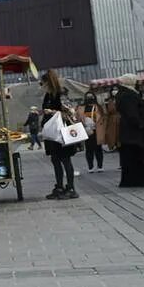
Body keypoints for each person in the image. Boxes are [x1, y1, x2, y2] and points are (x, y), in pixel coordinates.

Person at [40, 70, 79, 200]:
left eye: (43, 83)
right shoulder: (48, 95)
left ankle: (71, 188)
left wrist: (52, 111)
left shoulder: (60, 93)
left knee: (65, 159)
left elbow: (69, 111)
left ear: (48, 82)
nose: (42, 86)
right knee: (55, 159)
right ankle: (59, 187)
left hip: (62, 132)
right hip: (52, 133)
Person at [80, 93, 105, 172]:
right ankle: (90, 167)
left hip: (97, 130)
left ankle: (100, 166)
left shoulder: (98, 107)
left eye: (91, 96)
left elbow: (103, 117)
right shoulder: (81, 108)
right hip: (87, 130)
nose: (89, 98)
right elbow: (78, 118)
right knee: (89, 149)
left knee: (98, 149)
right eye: (88, 97)